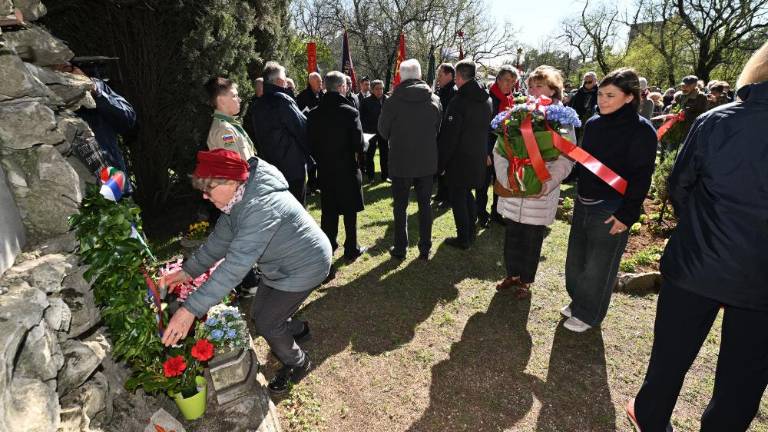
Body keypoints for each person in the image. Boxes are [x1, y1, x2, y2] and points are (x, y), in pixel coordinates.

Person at [629, 42, 768, 432]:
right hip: (755, 275)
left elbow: (680, 184)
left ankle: (652, 416)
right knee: (744, 377)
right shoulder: (719, 118)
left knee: (671, 353)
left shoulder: (718, 121)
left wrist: (703, 224)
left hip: (699, 260)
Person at [158, 148, 332, 395]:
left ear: (229, 182)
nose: (205, 197)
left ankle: (298, 362)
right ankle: (299, 330)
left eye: (208, 190)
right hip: (282, 265)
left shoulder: (259, 206)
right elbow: (219, 242)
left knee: (267, 323)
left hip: (305, 265)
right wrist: (187, 272)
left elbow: (234, 266)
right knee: (260, 316)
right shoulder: (237, 199)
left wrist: (190, 310)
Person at [563, 68, 657, 332]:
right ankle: (578, 301)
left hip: (612, 206)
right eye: (601, 94)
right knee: (576, 261)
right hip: (584, 200)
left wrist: (627, 215)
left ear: (629, 98)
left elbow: (641, 177)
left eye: (610, 95)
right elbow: (584, 161)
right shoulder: (593, 123)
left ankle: (589, 314)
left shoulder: (642, 131)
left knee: (599, 267)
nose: (602, 100)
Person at [494, 66, 575, 299]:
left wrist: (544, 183)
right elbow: (500, 148)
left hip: (539, 192)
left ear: (553, 89)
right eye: (530, 85)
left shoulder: (561, 119)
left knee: (531, 240)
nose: (533, 90)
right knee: (512, 236)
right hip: (513, 188)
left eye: (539, 85)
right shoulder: (518, 113)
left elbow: (566, 158)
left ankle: (525, 281)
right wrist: (505, 176)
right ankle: (512, 275)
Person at [377, 59, 442, 260]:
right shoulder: (434, 99)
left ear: (401, 77)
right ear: (420, 75)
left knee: (400, 207)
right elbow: (437, 129)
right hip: (426, 160)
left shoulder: (392, 101)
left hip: (401, 160)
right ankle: (425, 247)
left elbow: (382, 130)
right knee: (425, 206)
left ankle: (400, 248)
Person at [306, 71, 367, 261]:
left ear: (325, 86)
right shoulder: (350, 112)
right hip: (347, 168)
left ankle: (328, 246)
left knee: (329, 211)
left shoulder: (314, 114)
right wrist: (364, 144)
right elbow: (358, 144)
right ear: (341, 87)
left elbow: (310, 144)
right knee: (350, 211)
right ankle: (351, 248)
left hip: (325, 169)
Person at [438, 59, 493, 249]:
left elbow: (449, 136)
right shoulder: (487, 98)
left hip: (459, 159)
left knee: (458, 197)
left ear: (459, 77)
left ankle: (464, 238)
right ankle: (469, 232)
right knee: (466, 194)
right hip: (477, 155)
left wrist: (441, 162)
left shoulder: (459, 101)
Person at [244, 61, 310, 205]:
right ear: (280, 80)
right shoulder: (282, 100)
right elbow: (302, 128)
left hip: (270, 168)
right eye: (285, 79)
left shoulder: (257, 105)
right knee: (297, 212)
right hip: (292, 168)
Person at [66, 63, 136, 187]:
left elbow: (128, 118)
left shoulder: (96, 86)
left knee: (116, 203)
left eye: (67, 67)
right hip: (70, 182)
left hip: (111, 179)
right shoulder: (43, 92)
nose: (64, 72)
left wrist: (97, 92)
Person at [479, 64, 518, 228]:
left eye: (512, 82)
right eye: (507, 80)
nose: (509, 84)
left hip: (504, 149)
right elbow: (481, 128)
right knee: (483, 183)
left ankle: (496, 211)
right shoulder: (487, 98)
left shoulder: (512, 100)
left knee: (500, 181)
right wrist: (485, 153)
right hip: (488, 148)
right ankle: (480, 213)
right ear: (498, 79)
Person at [204, 77, 256, 163]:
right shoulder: (224, 130)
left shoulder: (229, 125)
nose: (239, 99)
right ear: (221, 100)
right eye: (234, 96)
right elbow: (235, 166)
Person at [432, 63, 458, 206]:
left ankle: (448, 197)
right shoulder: (442, 90)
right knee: (440, 165)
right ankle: (441, 193)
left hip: (447, 134)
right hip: (440, 134)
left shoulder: (453, 91)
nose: (438, 78)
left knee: (447, 167)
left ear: (449, 75)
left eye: (440, 75)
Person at [360, 79, 389, 183]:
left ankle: (385, 176)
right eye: (377, 89)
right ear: (372, 90)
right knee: (370, 155)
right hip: (370, 132)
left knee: (385, 154)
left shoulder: (388, 100)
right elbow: (361, 118)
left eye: (381, 88)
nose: (380, 91)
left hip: (384, 132)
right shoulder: (365, 101)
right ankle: (371, 177)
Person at [569, 71, 598, 137]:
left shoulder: (600, 92)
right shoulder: (578, 92)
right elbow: (571, 106)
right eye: (585, 82)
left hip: (593, 122)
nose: (587, 84)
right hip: (578, 121)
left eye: (589, 82)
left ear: (595, 80)